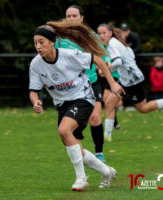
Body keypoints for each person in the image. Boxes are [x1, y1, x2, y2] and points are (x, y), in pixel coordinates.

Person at [29, 21, 124, 191]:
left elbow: (98, 60)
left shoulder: (69, 55)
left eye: (41, 42)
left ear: (52, 42)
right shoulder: (36, 64)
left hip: (83, 98)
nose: (38, 46)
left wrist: (113, 83)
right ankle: (107, 172)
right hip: (62, 105)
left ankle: (81, 179)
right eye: (35, 43)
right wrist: (35, 101)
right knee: (76, 149)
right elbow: (33, 90)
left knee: (64, 130)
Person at [97, 23, 163, 141]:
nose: (101, 36)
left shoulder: (113, 44)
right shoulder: (118, 43)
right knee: (110, 102)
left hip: (132, 81)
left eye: (104, 33)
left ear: (110, 33)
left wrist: (107, 70)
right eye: (99, 33)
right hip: (129, 79)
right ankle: (107, 135)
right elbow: (131, 56)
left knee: (142, 108)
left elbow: (118, 61)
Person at [56, 5, 112, 161]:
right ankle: (78, 150)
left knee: (95, 118)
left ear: (82, 17)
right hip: (72, 85)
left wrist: (106, 63)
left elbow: (102, 52)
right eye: (69, 16)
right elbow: (53, 56)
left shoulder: (90, 35)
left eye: (74, 16)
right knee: (70, 124)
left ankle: (99, 153)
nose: (71, 19)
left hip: (91, 81)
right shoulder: (60, 37)